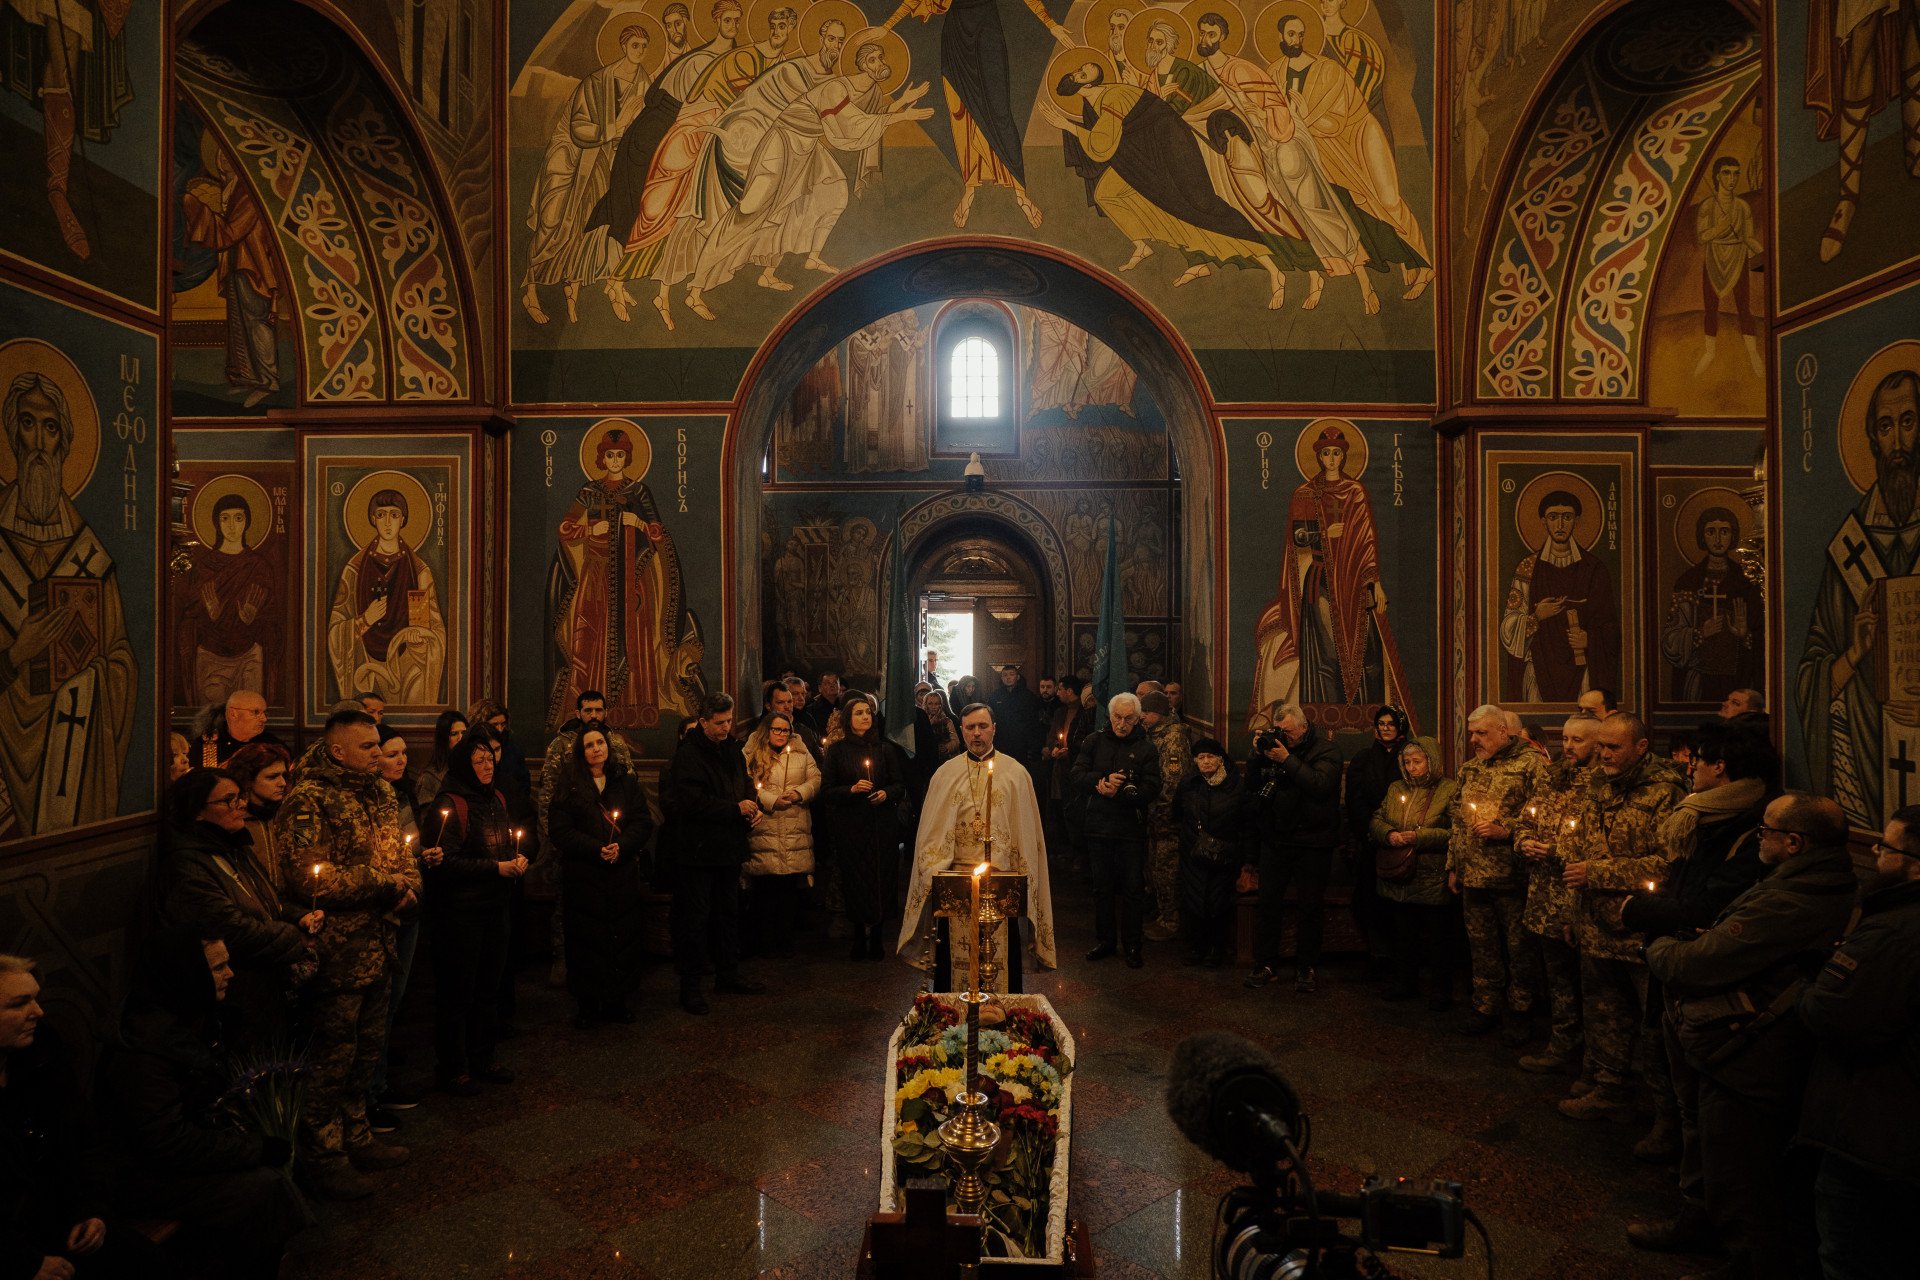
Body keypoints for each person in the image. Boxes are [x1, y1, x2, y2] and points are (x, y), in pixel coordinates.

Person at [1645, 794, 1855, 1280]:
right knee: (1708, 1141)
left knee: (1739, 1166)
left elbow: (1702, 962)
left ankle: (1750, 1265)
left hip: (1749, 1049)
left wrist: (1657, 943)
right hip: (1724, 1037)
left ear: (1794, 843)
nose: (1760, 839)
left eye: (1766, 832)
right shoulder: (1798, 880)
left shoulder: (1795, 898)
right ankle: (1699, 1223)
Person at [1624, 725, 1777, 1254]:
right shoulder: (1704, 817)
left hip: (1712, 982)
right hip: (1681, 966)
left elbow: (1712, 903)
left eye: (1702, 760)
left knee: (1710, 1112)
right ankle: (1697, 1201)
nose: (1691, 766)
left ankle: (1711, 1219)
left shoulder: (1750, 828)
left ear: (1723, 768)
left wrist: (1639, 911)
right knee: (1691, 1103)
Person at [98, 928, 306, 1280]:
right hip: (144, 1175)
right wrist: (253, 1148)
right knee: (262, 1190)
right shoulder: (144, 1050)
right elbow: (166, 1141)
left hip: (176, 1158)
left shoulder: (191, 1017)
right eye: (218, 968)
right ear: (187, 975)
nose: (231, 974)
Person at [271, 709, 417, 1200]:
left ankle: (358, 1136)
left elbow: (400, 852)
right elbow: (308, 876)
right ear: (339, 751)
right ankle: (324, 1155)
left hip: (380, 943)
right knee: (333, 1054)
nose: (380, 754)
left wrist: (409, 885)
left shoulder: (379, 792)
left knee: (366, 1049)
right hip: (336, 951)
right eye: (370, 747)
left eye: (379, 745)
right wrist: (381, 883)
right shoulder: (310, 799)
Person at [1795, 803, 1920, 1280]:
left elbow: (1837, 1016)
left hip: (1877, 1127)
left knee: (1849, 1254)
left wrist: (1811, 989)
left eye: (1885, 847)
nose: (1874, 852)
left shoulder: (1895, 930)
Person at [1558, 713, 1686, 1122]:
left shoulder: (1665, 792)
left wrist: (1598, 874)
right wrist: (1572, 913)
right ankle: (1610, 1088)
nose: (1605, 755)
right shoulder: (1596, 783)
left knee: (1653, 1028)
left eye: (1614, 747)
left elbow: (1668, 864)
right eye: (1601, 747)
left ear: (1641, 748)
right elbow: (1579, 846)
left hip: (1640, 928)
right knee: (1603, 1011)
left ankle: (1665, 1116)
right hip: (1596, 922)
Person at [0, 954, 159, 1280]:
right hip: (15, 1248)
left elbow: (90, 1141)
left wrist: (94, 1211)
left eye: (36, 998)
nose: (38, 1012)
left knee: (145, 1260)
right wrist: (25, 1263)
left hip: (64, 1221)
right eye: (19, 1003)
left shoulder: (41, 1056)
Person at [158, 768, 318, 1052]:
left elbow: (268, 900)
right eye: (228, 800)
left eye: (240, 797)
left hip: (265, 986)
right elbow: (230, 927)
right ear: (197, 811)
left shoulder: (234, 847)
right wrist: (295, 938)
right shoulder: (188, 863)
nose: (241, 805)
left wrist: (298, 916)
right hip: (237, 990)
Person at [899, 703, 1058, 984]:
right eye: (970, 727)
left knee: (1002, 965)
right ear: (960, 730)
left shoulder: (1016, 774)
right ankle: (954, 1016)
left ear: (994, 729)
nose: (976, 733)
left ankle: (1001, 1015)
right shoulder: (945, 774)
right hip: (957, 882)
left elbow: (1027, 835)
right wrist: (936, 868)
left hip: (1001, 882)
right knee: (953, 965)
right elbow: (931, 836)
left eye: (983, 726)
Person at [423, 736, 523, 1094]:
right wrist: (496, 869)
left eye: (490, 760)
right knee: (458, 992)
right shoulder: (449, 804)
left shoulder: (496, 798)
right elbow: (444, 861)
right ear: (465, 763)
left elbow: (503, 842)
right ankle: (452, 1066)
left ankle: (483, 1056)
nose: (487, 766)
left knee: (488, 988)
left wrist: (517, 856)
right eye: (478, 761)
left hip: (495, 908)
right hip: (461, 912)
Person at [1446, 704, 1548, 1039]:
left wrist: (1506, 830)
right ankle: (1485, 1005)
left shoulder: (1531, 765)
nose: (1474, 739)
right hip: (1473, 875)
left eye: (1481, 733)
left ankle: (1521, 1010)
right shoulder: (1470, 770)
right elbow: (1457, 823)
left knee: (1519, 948)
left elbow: (1546, 817)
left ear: (1503, 732)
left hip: (1512, 877)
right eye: (1472, 733)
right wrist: (1453, 866)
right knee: (1481, 946)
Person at [666, 693, 766, 1015]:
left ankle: (728, 974)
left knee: (728, 914)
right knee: (695, 920)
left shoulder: (732, 750)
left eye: (728, 721)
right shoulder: (688, 756)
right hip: (697, 851)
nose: (726, 728)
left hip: (728, 848)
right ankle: (690, 987)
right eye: (719, 722)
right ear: (704, 721)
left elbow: (746, 782)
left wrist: (752, 807)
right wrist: (734, 808)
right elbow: (691, 802)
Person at [1512, 711, 1599, 1075]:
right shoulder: (1550, 778)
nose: (1568, 746)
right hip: (1546, 898)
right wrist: (1524, 842)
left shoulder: (1603, 784)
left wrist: (1556, 850)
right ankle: (1562, 1043)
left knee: (1594, 986)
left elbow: (1599, 844)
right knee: (1559, 980)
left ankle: (1598, 1061)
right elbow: (1524, 820)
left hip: (1583, 900)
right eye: (1564, 739)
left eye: (1577, 740)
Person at [549, 726, 654, 1028]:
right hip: (584, 875)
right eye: (589, 745)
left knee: (620, 938)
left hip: (619, 874)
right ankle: (587, 1004)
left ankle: (618, 1000)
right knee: (586, 941)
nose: (597, 749)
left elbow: (642, 822)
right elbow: (560, 830)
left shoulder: (625, 781)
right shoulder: (569, 785)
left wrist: (620, 847)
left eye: (600, 743)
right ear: (581, 753)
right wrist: (596, 849)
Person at [1244, 703, 1343, 994]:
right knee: (1268, 904)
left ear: (1303, 726)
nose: (1283, 737)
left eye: (1287, 732)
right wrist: (1256, 755)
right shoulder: (1273, 749)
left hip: (1313, 841)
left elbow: (1320, 785)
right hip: (1276, 839)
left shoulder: (1327, 750)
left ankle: (1306, 967)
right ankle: (1265, 964)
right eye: (1279, 732)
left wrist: (1286, 759)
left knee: (1310, 907)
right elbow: (1252, 786)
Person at [369, 725, 435, 1131]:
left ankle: (380, 1083)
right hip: (385, 909)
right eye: (391, 754)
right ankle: (370, 1094)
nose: (400, 761)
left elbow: (407, 846)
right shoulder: (371, 797)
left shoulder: (401, 793)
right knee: (378, 1005)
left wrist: (422, 860)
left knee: (392, 1003)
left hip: (409, 904)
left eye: (403, 753)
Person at [1072, 692, 1162, 969]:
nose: (1121, 724)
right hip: (1098, 826)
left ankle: (1133, 944)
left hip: (1130, 829)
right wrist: (1100, 782)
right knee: (1102, 888)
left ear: (1138, 719)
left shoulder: (1147, 749)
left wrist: (1122, 791)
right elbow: (1076, 774)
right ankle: (1106, 940)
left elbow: (1153, 788)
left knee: (1133, 890)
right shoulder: (1094, 741)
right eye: (1117, 718)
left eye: (1128, 719)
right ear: (1109, 716)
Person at [1370, 736, 1457, 1004]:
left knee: (1436, 939)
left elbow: (1455, 832)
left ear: (1431, 761)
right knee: (1403, 935)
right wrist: (1390, 834)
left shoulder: (1449, 789)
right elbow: (1377, 818)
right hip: (1400, 877)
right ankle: (1405, 983)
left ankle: (1440, 991)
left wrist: (1419, 838)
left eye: (1417, 761)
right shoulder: (1396, 788)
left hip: (1431, 876)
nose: (1410, 767)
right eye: (1406, 762)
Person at [820, 693, 906, 961]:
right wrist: (852, 789)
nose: (865, 717)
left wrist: (885, 794)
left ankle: (878, 935)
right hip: (851, 826)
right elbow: (827, 791)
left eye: (868, 712)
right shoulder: (836, 751)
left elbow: (899, 785)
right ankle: (858, 935)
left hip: (880, 826)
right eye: (858, 713)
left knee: (880, 880)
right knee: (856, 881)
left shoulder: (885, 749)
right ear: (848, 719)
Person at [742, 712, 820, 961]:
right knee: (765, 889)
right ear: (767, 730)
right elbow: (746, 783)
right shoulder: (753, 750)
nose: (781, 734)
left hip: (794, 826)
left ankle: (784, 941)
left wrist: (798, 794)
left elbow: (815, 778)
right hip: (765, 826)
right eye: (777, 730)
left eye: (785, 730)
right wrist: (772, 800)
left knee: (788, 889)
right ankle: (764, 941)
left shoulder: (800, 750)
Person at [1176, 737, 1252, 968]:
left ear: (1220, 760)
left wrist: (1247, 859)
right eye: (1201, 758)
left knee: (1218, 903)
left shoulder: (1236, 786)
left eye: (1210, 757)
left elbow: (1247, 824)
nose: (1206, 762)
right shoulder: (1189, 784)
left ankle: (1216, 948)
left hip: (1224, 855)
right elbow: (1177, 813)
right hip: (1193, 855)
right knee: (1194, 902)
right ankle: (1196, 946)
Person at [1345, 705, 1410, 973]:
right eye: (1381, 723)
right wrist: (1373, 829)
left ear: (1400, 727)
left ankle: (1402, 958)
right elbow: (1354, 799)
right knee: (1369, 898)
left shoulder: (1410, 756)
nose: (1385, 728)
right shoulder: (1363, 758)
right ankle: (1378, 955)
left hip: (1403, 839)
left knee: (1399, 902)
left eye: (1390, 724)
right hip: (1370, 840)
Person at [1140, 691, 1192, 942]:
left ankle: (1170, 920)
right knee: (1154, 866)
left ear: (1158, 713)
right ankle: (1161, 912)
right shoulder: (1154, 734)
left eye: (1146, 712)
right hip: (1154, 815)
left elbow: (1174, 781)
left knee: (1166, 868)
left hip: (1167, 818)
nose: (1142, 717)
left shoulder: (1173, 737)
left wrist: (1162, 811)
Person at [910, 687, 962, 806]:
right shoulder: (920, 721)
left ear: (940, 705)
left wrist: (947, 747)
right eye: (930, 704)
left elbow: (956, 740)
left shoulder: (946, 721)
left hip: (944, 760)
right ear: (926, 704)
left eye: (936, 704)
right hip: (926, 763)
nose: (933, 706)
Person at [987, 665, 1044, 768]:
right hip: (1001, 743)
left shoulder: (1028, 696)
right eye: (1005, 675)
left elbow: (1034, 722)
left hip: (1022, 745)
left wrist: (1033, 746)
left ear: (1017, 677)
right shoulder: (994, 696)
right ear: (1001, 678)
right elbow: (990, 719)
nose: (1008, 677)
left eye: (1011, 674)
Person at [416, 710, 468, 804]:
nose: (461, 738)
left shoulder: (475, 766)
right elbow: (425, 813)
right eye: (454, 734)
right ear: (444, 738)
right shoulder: (431, 776)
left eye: (464, 733)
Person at [800, 672, 842, 738]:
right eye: (828, 683)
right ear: (820, 688)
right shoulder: (811, 710)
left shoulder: (845, 706)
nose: (832, 685)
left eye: (835, 683)